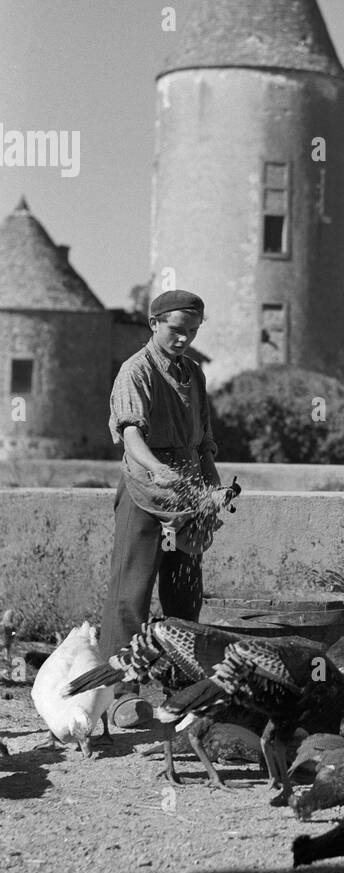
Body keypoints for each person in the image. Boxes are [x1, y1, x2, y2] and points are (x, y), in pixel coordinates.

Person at [102, 291, 222, 697]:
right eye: (176, 330)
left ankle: (183, 685)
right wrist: (157, 468)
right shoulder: (136, 371)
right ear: (154, 323)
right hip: (145, 493)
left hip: (187, 489)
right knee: (130, 593)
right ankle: (120, 693)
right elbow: (131, 433)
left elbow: (204, 440)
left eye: (192, 331)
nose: (184, 339)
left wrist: (212, 488)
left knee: (184, 593)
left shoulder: (194, 373)